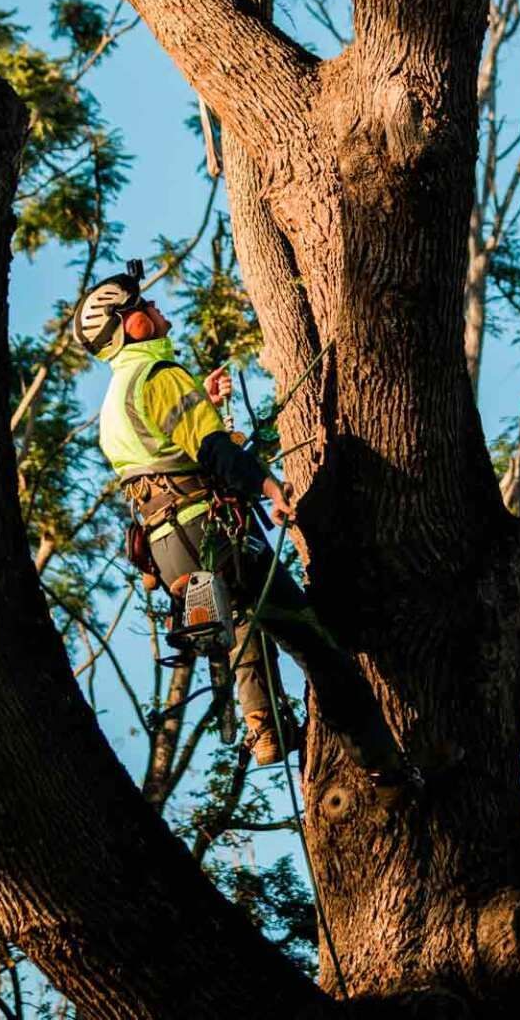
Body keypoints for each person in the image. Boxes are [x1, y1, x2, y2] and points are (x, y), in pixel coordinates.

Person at [74, 265, 408, 781]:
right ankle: (386, 770)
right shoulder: (160, 378)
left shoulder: (116, 400)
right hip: (215, 535)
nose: (156, 308)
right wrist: (271, 490)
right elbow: (214, 453)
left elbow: (164, 455)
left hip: (171, 553)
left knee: (242, 612)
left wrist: (201, 403)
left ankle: (265, 725)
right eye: (144, 305)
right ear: (128, 325)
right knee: (318, 645)